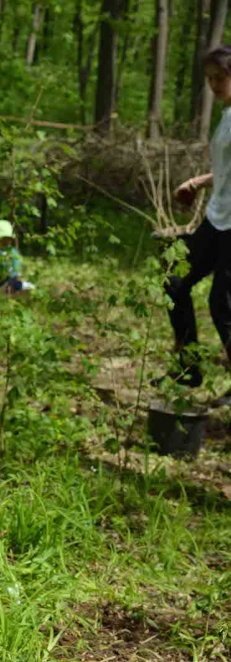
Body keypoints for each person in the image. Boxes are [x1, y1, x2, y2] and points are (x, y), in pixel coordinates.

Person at [156, 45, 231, 405]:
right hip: (218, 218)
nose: (215, 85)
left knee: (223, 303)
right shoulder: (227, 115)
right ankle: (189, 368)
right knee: (175, 281)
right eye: (210, 79)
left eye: (221, 77)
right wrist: (200, 182)